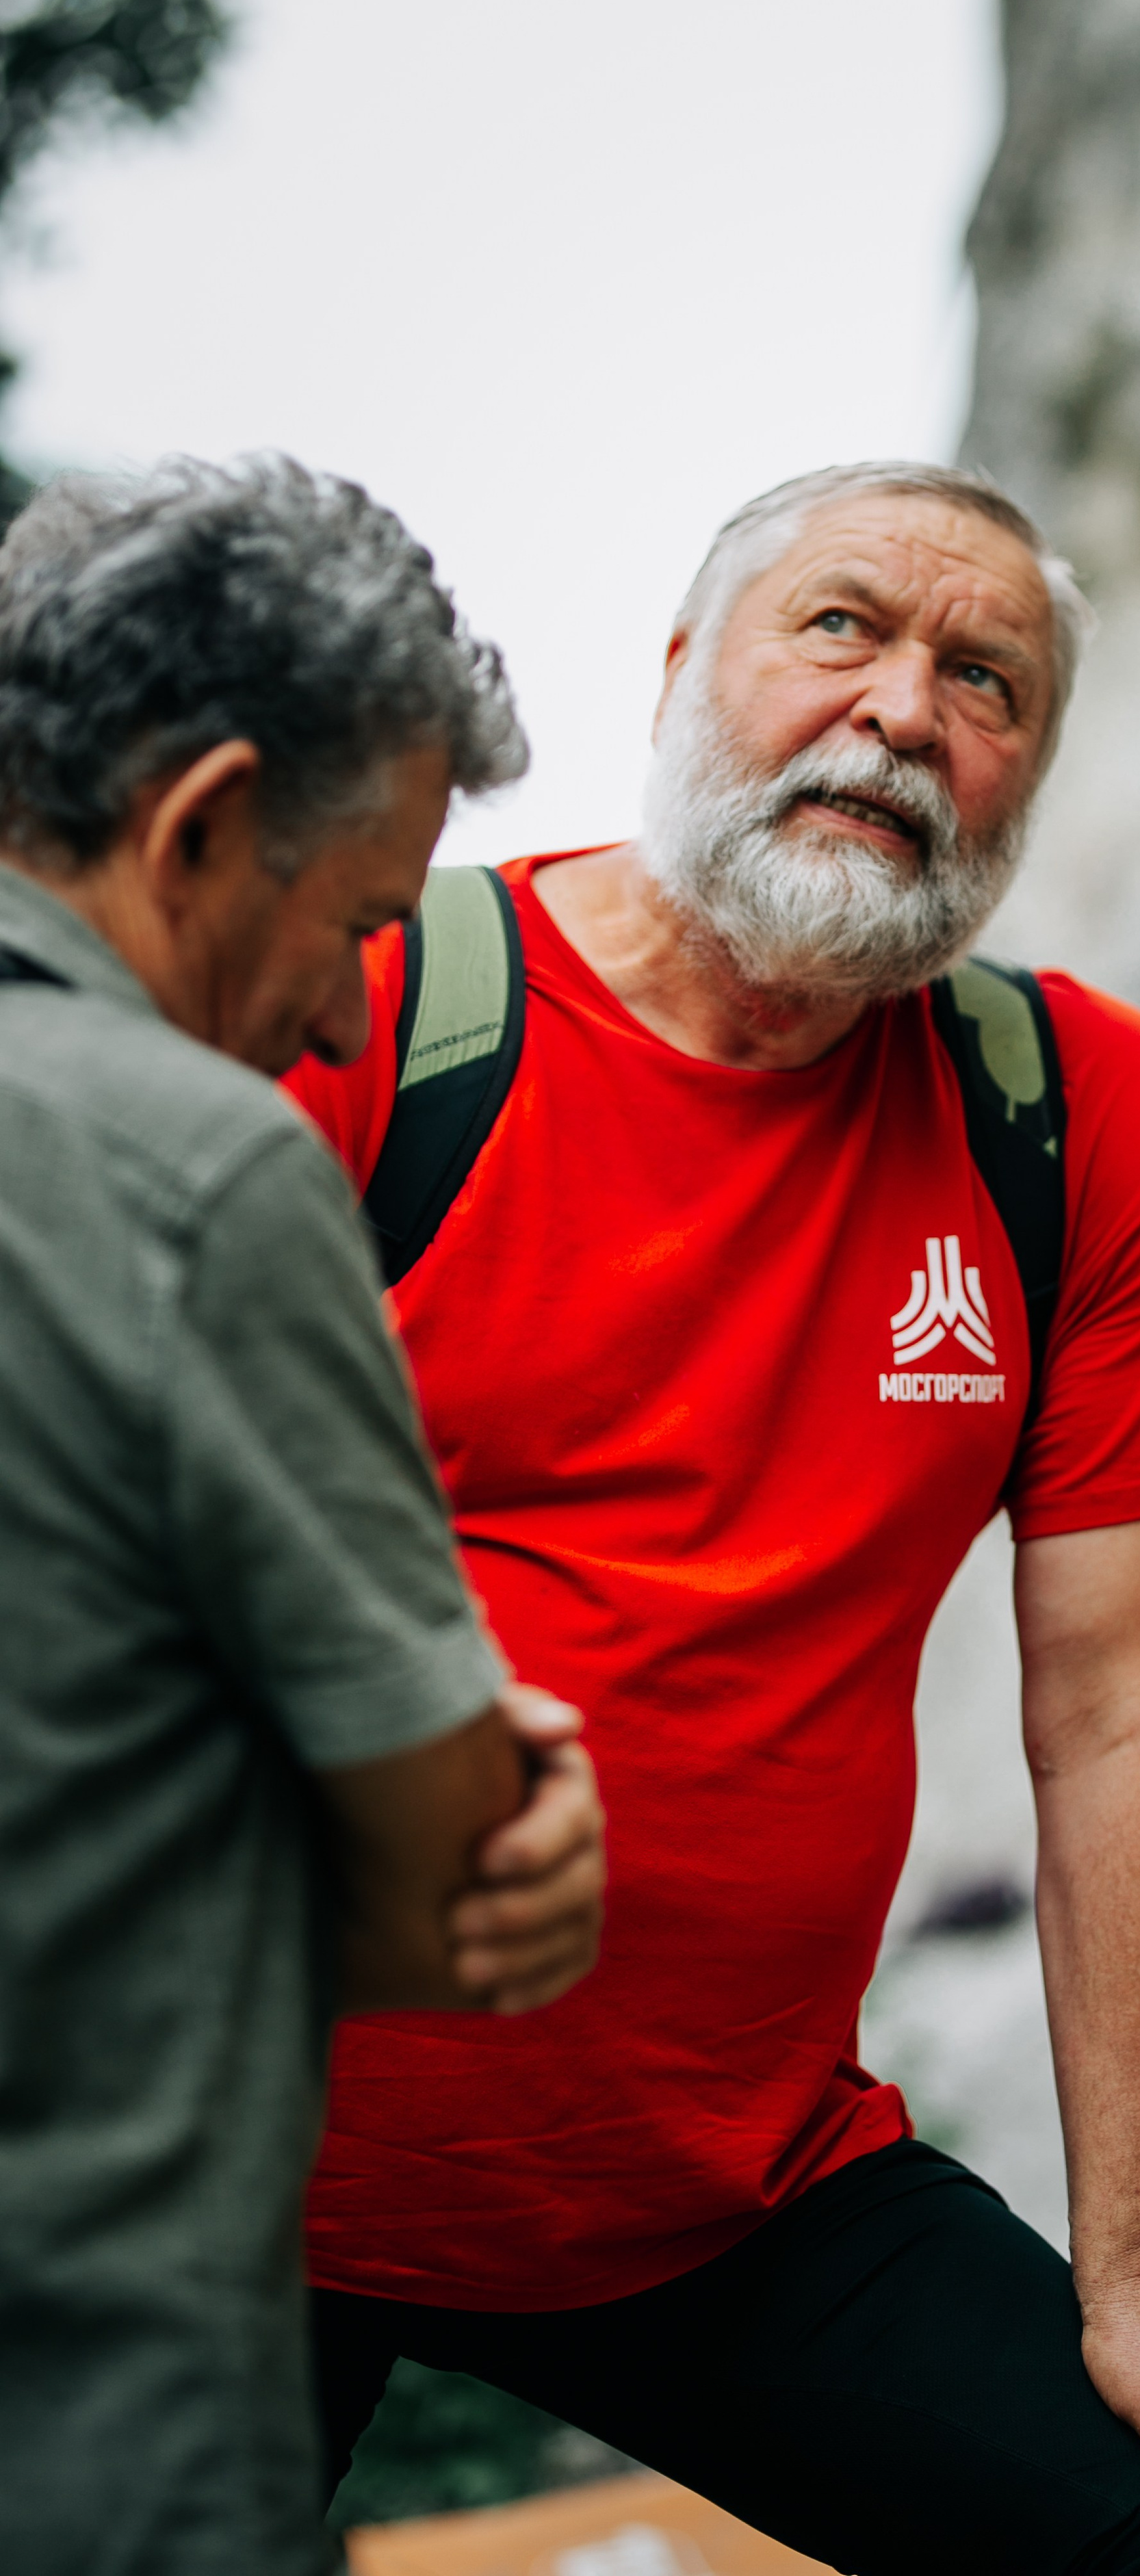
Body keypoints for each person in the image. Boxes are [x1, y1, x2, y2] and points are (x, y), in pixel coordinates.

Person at [288, 459, 1140, 2576]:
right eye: (840, 629)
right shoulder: (367, 1002)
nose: (905, 711)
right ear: (678, 673)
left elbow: (1123, 1713)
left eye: (989, 682)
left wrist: (1139, 2269)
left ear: (1028, 779)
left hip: (732, 2192)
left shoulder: (1080, 1122)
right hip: (214, 2156)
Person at [0, 456, 608, 2576]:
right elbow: (446, 1875)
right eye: (356, 922)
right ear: (199, 822)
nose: (355, 1015)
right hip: (93, 2402)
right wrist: (501, 1827)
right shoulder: (197, 1171)